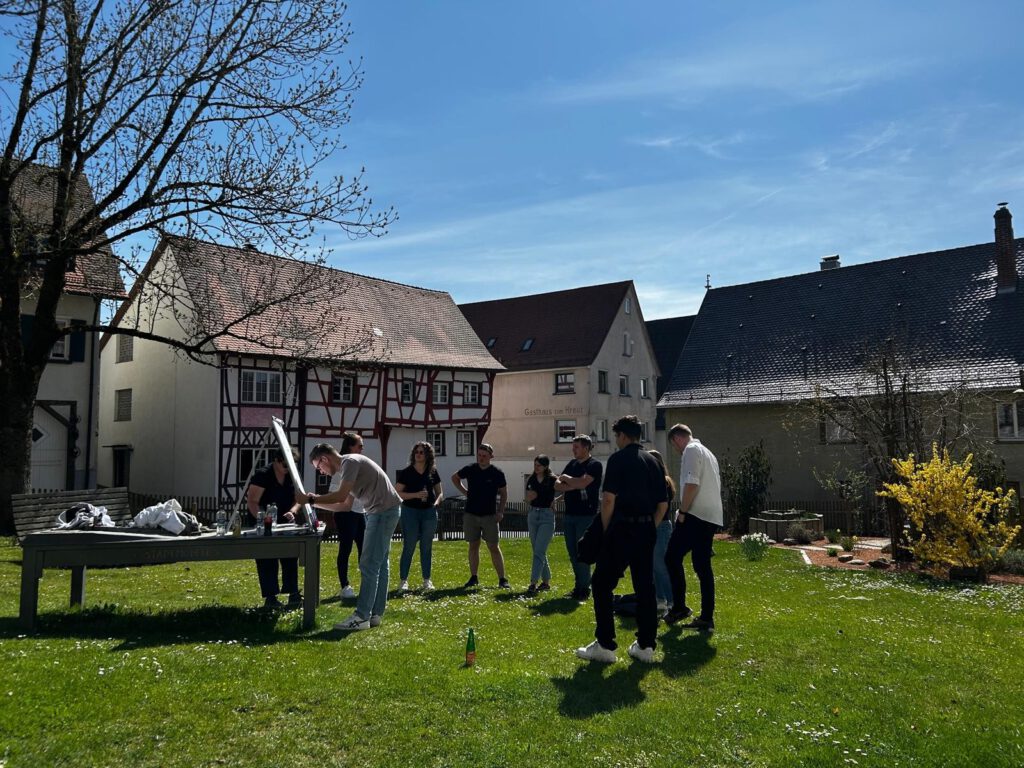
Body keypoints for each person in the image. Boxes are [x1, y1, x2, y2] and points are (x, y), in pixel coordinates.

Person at [575, 415, 667, 664]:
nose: (616, 440)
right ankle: (646, 646)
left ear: (623, 436)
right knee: (645, 587)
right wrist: (649, 526)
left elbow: (608, 499)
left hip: (622, 529)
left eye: (616, 435)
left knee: (602, 583)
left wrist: (605, 531)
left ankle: (605, 645)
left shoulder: (618, 459)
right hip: (646, 529)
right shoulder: (653, 461)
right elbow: (663, 503)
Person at [304, 442, 402, 630]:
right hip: (384, 511)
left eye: (319, 467)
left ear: (325, 459)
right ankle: (375, 614)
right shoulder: (349, 466)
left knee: (369, 564)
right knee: (379, 563)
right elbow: (345, 505)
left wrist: (311, 499)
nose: (321, 472)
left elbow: (339, 497)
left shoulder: (349, 462)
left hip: (381, 513)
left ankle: (362, 616)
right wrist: (314, 503)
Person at [663, 424, 723, 632]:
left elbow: (691, 483)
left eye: (674, 445)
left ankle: (679, 607)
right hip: (711, 515)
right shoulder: (708, 453)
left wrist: (683, 512)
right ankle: (706, 617)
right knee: (702, 565)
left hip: (695, 515)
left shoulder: (690, 450)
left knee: (671, 557)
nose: (677, 450)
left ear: (677, 439)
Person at [246, 447, 303, 609]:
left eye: (292, 464)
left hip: (285, 522)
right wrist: (264, 518)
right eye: (285, 464)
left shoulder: (292, 475)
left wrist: (293, 511)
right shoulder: (263, 475)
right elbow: (252, 502)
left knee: (290, 555)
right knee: (267, 558)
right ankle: (271, 598)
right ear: (277, 461)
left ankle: (293, 594)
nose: (288, 468)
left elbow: (299, 498)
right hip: (264, 523)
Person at [312, 432, 366, 599]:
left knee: (364, 550)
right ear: (350, 447)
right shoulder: (341, 470)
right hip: (345, 515)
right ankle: (345, 586)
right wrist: (313, 501)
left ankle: (367, 583)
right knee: (345, 549)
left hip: (359, 512)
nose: (362, 448)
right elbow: (338, 499)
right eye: (359, 445)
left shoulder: (353, 464)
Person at [452, 443, 510, 589]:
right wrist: (465, 492)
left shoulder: (497, 473)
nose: (481, 458)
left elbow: (504, 493)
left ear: (491, 456)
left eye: (484, 456)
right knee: (473, 545)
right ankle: (473, 577)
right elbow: (455, 478)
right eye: (479, 455)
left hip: (490, 515)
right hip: (471, 514)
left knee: (493, 546)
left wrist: (501, 511)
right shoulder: (471, 469)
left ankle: (502, 579)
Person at [555, 435, 603, 601]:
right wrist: (572, 484)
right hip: (569, 514)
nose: (573, 449)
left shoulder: (594, 465)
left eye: (576, 447)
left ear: (586, 448)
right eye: (573, 446)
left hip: (586, 515)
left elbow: (582, 483)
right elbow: (556, 484)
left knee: (583, 552)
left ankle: (584, 589)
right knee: (572, 552)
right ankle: (579, 586)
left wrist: (568, 480)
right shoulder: (572, 464)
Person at [395, 441, 443, 592]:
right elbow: (397, 493)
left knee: (426, 547)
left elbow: (440, 492)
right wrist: (415, 495)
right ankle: (403, 581)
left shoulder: (432, 472)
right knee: (409, 546)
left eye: (422, 452)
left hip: (429, 512)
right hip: (410, 512)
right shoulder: (406, 472)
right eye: (416, 451)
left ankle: (427, 580)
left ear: (428, 455)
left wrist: (436, 502)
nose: (418, 454)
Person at [647, 449, 677, 615]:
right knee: (653, 566)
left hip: (661, 526)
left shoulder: (663, 482)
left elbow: (661, 506)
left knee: (660, 566)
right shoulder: (651, 481)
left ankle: (672, 600)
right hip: (654, 525)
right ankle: (660, 599)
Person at [525, 454, 557, 596]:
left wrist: (556, 499)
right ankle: (546, 582)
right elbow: (528, 497)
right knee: (538, 549)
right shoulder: (531, 479)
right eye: (535, 465)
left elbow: (568, 489)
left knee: (539, 550)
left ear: (545, 466)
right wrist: (529, 498)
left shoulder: (552, 480)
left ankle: (533, 582)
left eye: (539, 465)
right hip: (533, 514)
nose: (536, 467)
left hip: (546, 516)